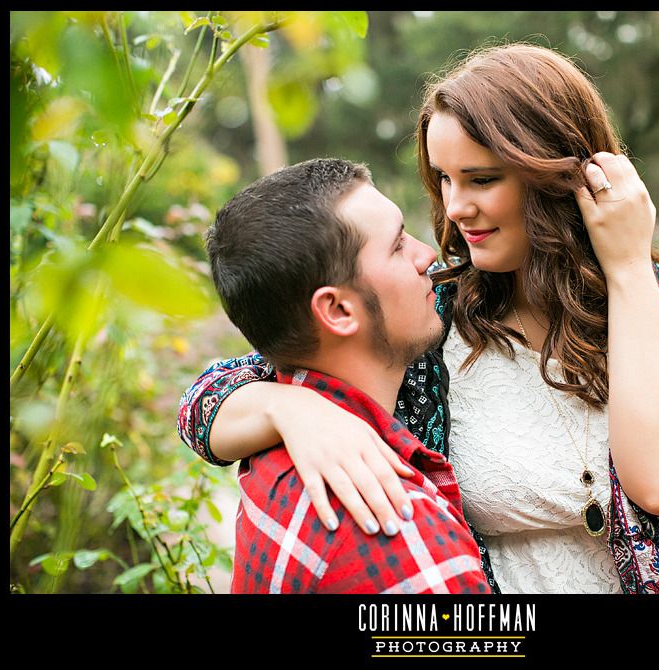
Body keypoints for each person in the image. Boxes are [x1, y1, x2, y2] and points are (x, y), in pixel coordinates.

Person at [180, 43, 659, 594]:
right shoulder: (437, 316)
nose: (455, 207)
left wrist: (627, 268)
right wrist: (291, 407)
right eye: (444, 179)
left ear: (560, 174)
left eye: (482, 179)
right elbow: (205, 403)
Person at [202, 157, 491, 594]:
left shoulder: (269, 466)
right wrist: (285, 408)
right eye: (397, 246)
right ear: (336, 310)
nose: (428, 255)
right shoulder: (399, 523)